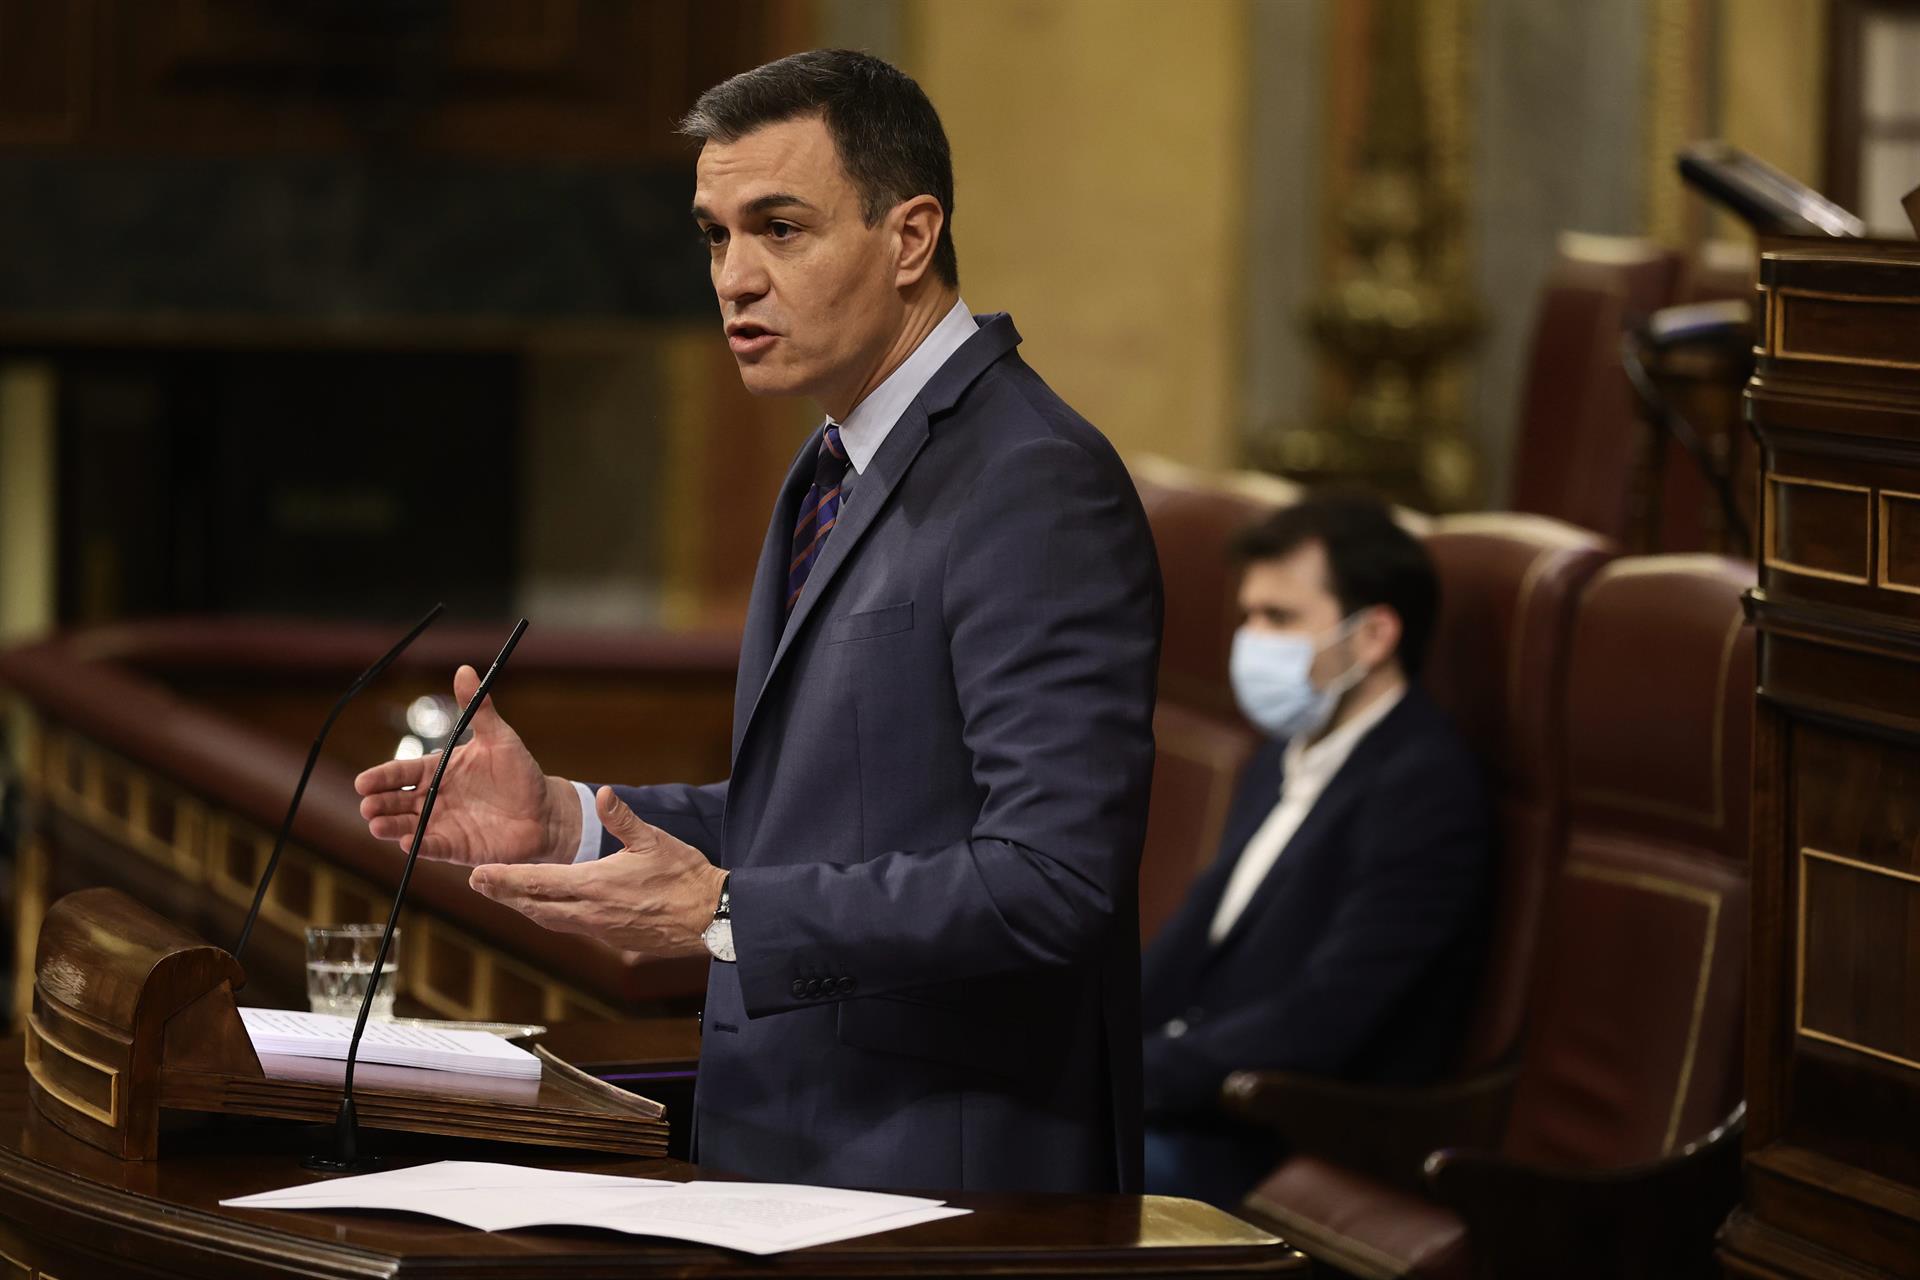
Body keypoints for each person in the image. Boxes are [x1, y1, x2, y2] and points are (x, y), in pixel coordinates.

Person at [353, 50, 1162, 1194]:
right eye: (716, 235)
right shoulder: (829, 461)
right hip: (799, 1147)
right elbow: (843, 811)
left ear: (911, 238)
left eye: (780, 227)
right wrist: (570, 819)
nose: (735, 276)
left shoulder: (1031, 481)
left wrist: (728, 912)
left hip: (947, 1181)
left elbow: (1053, 878)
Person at [1139, 493, 1492, 1208]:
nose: (1251, 638)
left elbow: (1326, 1015)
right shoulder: (1280, 754)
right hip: (1199, 1097)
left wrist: (1139, 1078)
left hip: (1289, 1132)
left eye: (1280, 618)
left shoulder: (1425, 788)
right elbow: (1197, 938)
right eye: (1249, 614)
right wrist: (1090, 1050)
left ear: (1373, 636)